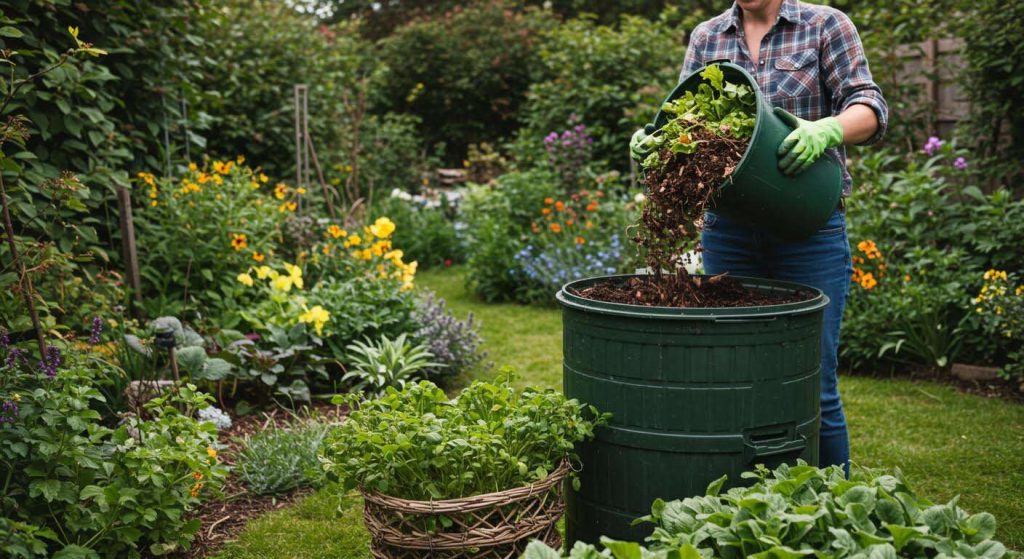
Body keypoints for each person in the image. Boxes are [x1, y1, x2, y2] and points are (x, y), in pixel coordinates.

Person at [631, 0, 888, 475]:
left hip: (808, 227)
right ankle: (746, 510)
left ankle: (837, 510)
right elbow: (684, 117)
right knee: (737, 378)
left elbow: (870, 107)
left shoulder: (825, 25)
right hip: (730, 233)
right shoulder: (707, 37)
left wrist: (828, 128)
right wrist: (654, 141)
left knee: (814, 383)